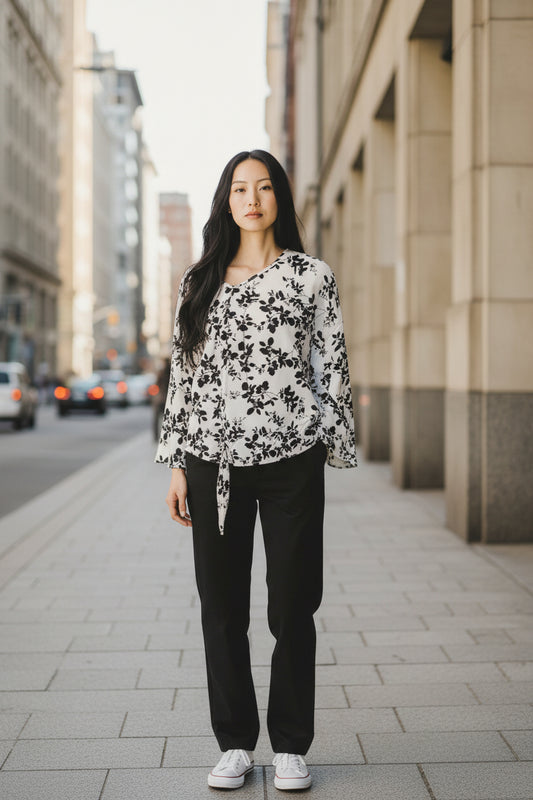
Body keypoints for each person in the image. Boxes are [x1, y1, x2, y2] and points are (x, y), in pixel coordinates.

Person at [155, 150, 357, 791]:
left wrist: (334, 444)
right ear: (227, 200)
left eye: (264, 187)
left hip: (293, 461)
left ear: (279, 199)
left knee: (295, 604)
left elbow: (333, 367)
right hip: (212, 462)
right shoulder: (199, 281)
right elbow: (183, 379)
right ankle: (237, 743)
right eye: (240, 188)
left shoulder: (310, 277)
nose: (252, 198)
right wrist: (177, 464)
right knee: (222, 608)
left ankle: (292, 745)